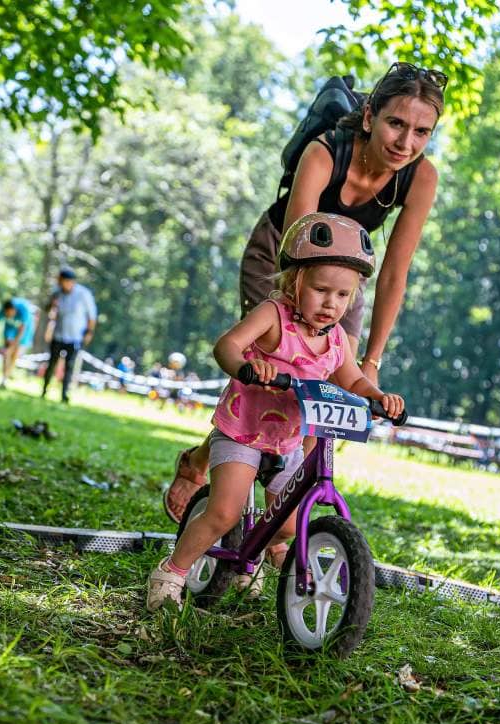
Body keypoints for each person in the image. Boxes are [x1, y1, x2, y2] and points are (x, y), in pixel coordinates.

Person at [163, 61, 446, 523]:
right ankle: (201, 462)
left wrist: (369, 362)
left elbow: (395, 271)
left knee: (326, 405)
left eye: (421, 132)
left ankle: (279, 525)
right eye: (396, 123)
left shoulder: (420, 176)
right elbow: (295, 252)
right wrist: (292, 337)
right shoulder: (325, 153)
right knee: (270, 375)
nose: (405, 143)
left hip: (346, 275)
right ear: (371, 116)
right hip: (284, 257)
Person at [147, 213, 405, 610]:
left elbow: (352, 380)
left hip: (288, 443)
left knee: (286, 523)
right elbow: (227, 346)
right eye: (321, 290)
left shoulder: (336, 339)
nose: (330, 304)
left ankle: (256, 560)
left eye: (342, 296)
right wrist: (248, 368)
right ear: (295, 280)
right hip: (243, 431)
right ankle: (172, 572)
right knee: (224, 512)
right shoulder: (274, 315)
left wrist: (378, 396)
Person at [41, 267, 97, 404]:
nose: (61, 284)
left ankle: (64, 394)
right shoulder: (57, 293)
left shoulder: (83, 294)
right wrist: (51, 304)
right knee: (52, 363)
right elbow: (47, 310)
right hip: (58, 335)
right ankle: (44, 390)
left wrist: (89, 333)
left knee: (69, 366)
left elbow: (92, 316)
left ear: (70, 281)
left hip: (75, 337)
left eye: (62, 281)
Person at [0, 297, 36, 386]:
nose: (8, 316)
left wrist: (14, 344)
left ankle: (7, 375)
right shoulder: (2, 311)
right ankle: (4, 378)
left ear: (14, 310)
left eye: (10, 313)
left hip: (25, 332)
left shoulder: (24, 310)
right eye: (6, 314)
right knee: (7, 354)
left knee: (15, 355)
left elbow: (22, 330)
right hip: (10, 329)